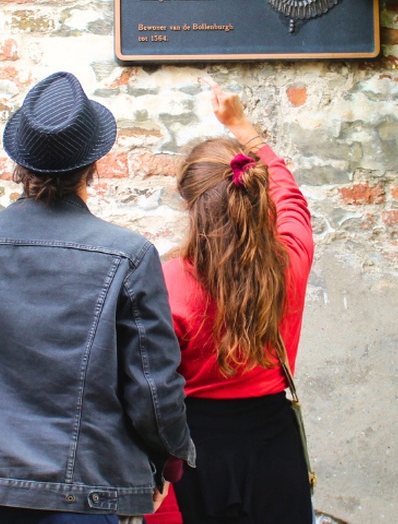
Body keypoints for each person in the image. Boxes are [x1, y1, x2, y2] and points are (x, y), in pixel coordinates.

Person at [0, 71, 195, 524]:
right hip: (91, 493)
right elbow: (153, 393)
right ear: (93, 165)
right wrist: (170, 462)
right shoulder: (127, 255)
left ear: (19, 164)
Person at [147, 78, 315, 524]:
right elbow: (291, 197)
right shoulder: (290, 262)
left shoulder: (166, 283)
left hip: (195, 451)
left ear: (190, 205)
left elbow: (151, 386)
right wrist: (242, 125)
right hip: (273, 443)